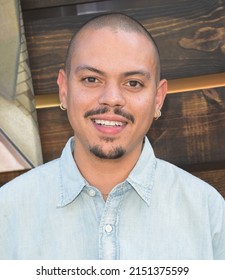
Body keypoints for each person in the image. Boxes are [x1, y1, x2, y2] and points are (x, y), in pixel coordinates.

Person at [0, 13, 224, 260]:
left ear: (158, 98)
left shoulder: (207, 212)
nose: (112, 99)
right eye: (91, 79)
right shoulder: (7, 211)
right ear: (64, 89)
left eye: (133, 83)